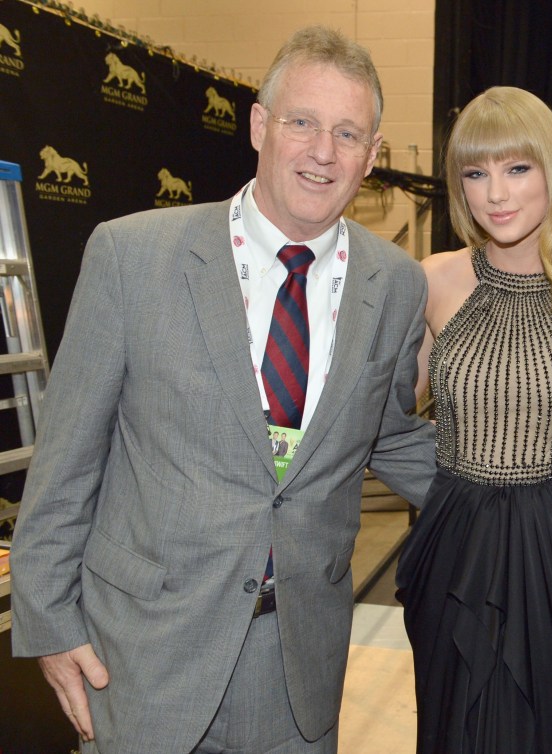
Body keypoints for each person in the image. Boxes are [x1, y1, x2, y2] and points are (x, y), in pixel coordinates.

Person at [10, 25, 436, 753]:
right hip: (143, 656)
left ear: (371, 155)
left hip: (298, 663)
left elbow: (389, 432)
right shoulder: (131, 257)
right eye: (302, 122)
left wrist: (526, 499)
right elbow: (67, 459)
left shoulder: (395, 284)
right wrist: (49, 626)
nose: (322, 151)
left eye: (347, 133)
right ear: (261, 125)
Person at [395, 86, 552, 753]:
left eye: (517, 168)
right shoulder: (432, 280)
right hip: (455, 548)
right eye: (476, 173)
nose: (496, 193)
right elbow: (377, 414)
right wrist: (436, 486)